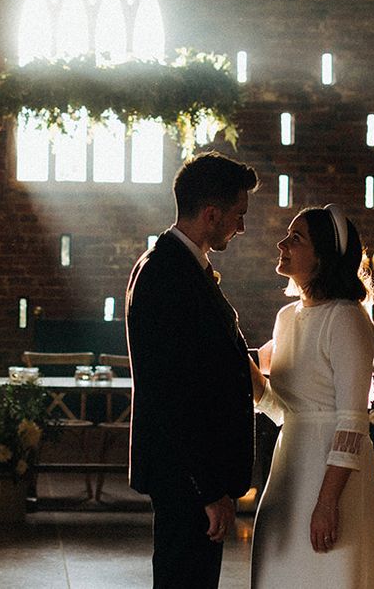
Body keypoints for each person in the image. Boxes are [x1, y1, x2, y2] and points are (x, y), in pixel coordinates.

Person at [126, 151, 259, 589]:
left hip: (189, 475)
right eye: (238, 215)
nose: (241, 227)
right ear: (211, 214)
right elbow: (173, 394)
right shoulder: (167, 274)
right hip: (187, 479)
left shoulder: (179, 266)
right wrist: (208, 489)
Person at [248, 204, 374, 588]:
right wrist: (240, 362)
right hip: (289, 461)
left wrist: (327, 502)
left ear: (322, 256)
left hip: (333, 472)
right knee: (276, 569)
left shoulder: (348, 318)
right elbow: (279, 407)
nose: (281, 243)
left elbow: (353, 419)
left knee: (327, 573)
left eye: (295, 238)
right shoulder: (286, 317)